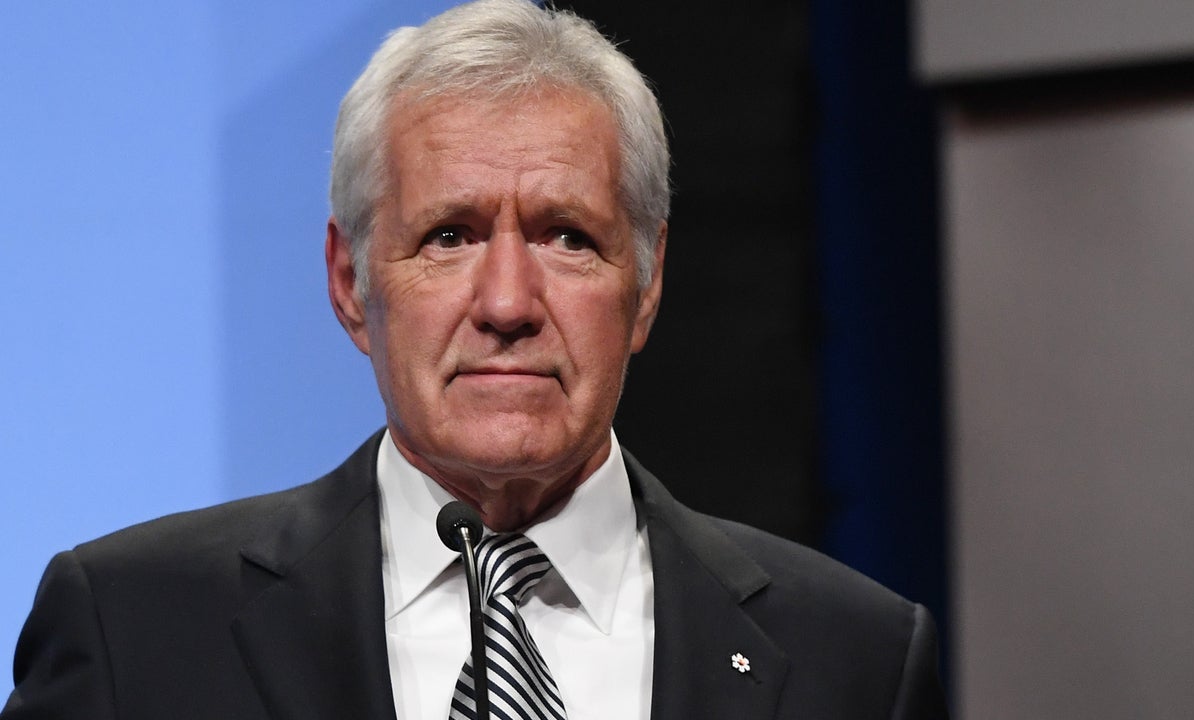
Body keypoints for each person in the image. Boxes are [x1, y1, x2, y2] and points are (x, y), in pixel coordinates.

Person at [2, 1, 948, 718]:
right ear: (349, 282)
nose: (507, 305)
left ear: (648, 283)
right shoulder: (134, 631)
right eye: (449, 236)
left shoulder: (855, 658)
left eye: (568, 236)